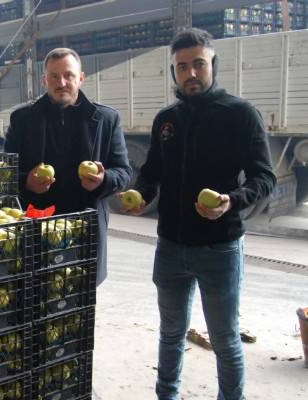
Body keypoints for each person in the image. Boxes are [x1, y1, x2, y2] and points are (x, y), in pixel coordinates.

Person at [121, 28, 276, 400]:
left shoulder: (241, 114)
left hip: (219, 248)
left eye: (199, 64)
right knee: (171, 334)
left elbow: (264, 177)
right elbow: (151, 172)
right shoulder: (166, 120)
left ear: (213, 65)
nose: (191, 73)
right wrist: (142, 196)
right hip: (170, 246)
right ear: (174, 71)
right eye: (182, 66)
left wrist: (231, 201)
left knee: (224, 339)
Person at [5, 47, 132, 286]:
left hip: (86, 229)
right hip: (38, 229)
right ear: (44, 80)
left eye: (68, 75)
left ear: (81, 78)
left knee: (82, 304)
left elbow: (123, 172)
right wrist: (26, 181)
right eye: (54, 76)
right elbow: (5, 173)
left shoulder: (106, 119)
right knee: (37, 299)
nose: (61, 82)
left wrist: (103, 180)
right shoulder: (22, 119)